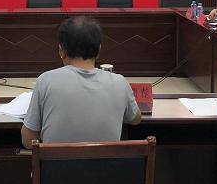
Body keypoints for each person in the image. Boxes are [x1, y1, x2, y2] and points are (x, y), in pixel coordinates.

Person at [21, 16, 141, 149]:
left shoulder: (46, 80)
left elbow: (28, 141)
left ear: (61, 51)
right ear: (99, 50)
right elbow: (135, 119)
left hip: (56, 163)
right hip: (106, 163)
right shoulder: (120, 82)